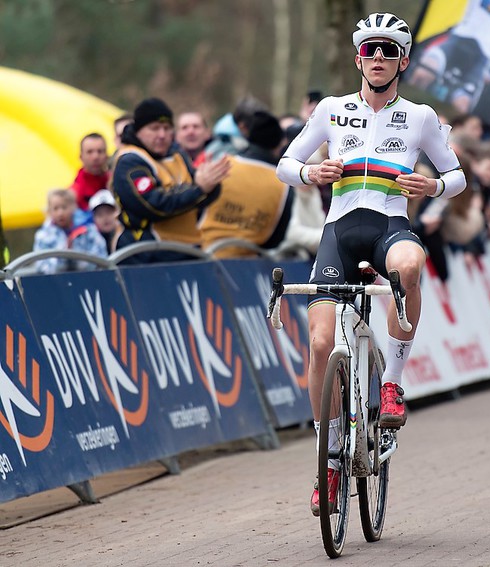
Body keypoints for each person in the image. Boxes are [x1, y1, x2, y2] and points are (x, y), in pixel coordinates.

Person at [276, 12, 465, 517]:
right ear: (358, 57)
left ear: (401, 60)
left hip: (388, 228)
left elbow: (458, 175)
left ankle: (392, 383)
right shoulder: (331, 109)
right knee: (319, 343)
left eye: (387, 51)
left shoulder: (421, 117)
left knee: (410, 263)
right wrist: (311, 170)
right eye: (369, 51)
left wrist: (434, 186)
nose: (377, 59)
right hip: (339, 232)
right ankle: (329, 459)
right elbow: (284, 165)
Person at [111, 97, 230, 263]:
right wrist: (199, 189)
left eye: (167, 128)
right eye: (154, 128)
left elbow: (199, 196)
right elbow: (153, 205)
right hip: (148, 254)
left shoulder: (177, 155)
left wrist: (211, 183)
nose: (162, 135)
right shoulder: (130, 160)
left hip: (187, 250)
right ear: (138, 131)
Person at [198, 111, 294, 258]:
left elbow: (196, 208)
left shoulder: (222, 165)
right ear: (279, 144)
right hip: (250, 264)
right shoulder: (284, 182)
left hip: (205, 255)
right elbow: (276, 238)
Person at [32, 189, 107, 274]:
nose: (60, 213)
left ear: (74, 207)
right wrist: (62, 257)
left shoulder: (89, 230)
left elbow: (101, 259)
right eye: (55, 208)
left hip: (88, 280)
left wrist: (77, 257)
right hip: (56, 284)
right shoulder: (43, 236)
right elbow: (41, 267)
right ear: (49, 210)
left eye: (64, 207)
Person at [71, 133, 111, 211]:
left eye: (100, 151)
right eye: (89, 152)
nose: (95, 157)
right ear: (81, 157)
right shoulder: (73, 194)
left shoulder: (117, 183)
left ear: (107, 156)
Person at [88, 189, 120, 254]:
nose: (105, 218)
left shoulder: (126, 236)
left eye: (109, 212)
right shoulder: (89, 240)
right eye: (100, 215)